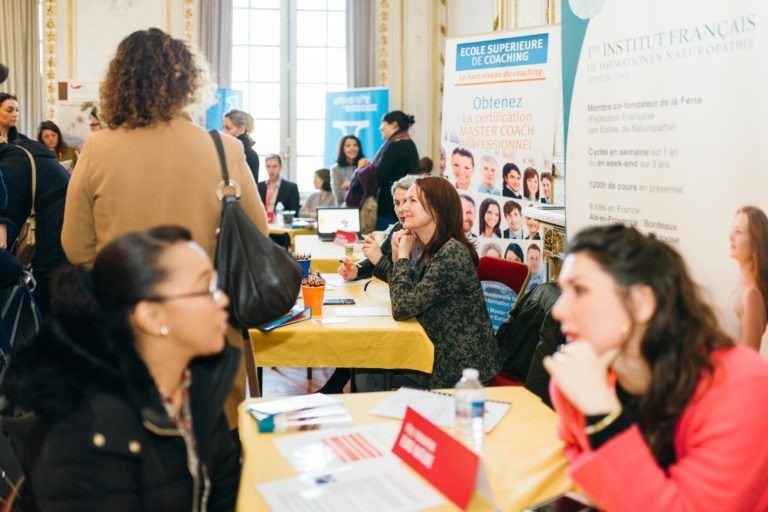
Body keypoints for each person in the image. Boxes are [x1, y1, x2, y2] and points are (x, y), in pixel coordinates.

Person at [61, 28, 267, 426]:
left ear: (118, 83)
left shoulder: (98, 149)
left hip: (127, 323)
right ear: (187, 81)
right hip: (207, 324)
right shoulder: (224, 147)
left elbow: (75, 248)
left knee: (133, 445)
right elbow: (257, 233)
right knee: (214, 444)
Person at [0, 226, 241, 510]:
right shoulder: (87, 428)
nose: (223, 299)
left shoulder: (196, 382)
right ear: (151, 316)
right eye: (207, 288)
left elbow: (226, 496)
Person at [544, 224, 768, 511]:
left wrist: (602, 415)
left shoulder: (742, 385)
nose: (558, 310)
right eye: (563, 291)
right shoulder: (576, 382)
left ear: (641, 303)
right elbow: (575, 450)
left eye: (580, 290)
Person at [355, 176, 501, 390]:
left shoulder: (452, 254)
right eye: (404, 201)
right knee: (367, 361)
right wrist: (397, 260)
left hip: (458, 369)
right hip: (432, 352)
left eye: (412, 201)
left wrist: (401, 258)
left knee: (370, 370)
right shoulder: (424, 246)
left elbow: (402, 308)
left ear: (436, 210)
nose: (403, 207)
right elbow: (408, 294)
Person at [0, 93, 70, 315]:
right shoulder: (25, 148)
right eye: (9, 109)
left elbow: (10, 211)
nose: (15, 114)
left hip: (48, 240)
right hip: (61, 235)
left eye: (16, 109)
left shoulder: (14, 156)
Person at [338, 175, 418, 283]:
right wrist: (356, 270)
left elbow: (407, 283)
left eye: (407, 202)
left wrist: (379, 259)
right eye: (397, 203)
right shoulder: (398, 228)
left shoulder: (429, 237)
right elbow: (374, 261)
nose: (400, 209)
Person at [729, 206, 768, 352]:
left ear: (755, 245)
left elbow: (749, 360)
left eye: (738, 232)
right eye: (733, 230)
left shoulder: (751, 295)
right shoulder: (741, 288)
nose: (730, 236)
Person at [372, 110, 419, 230]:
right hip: (408, 203)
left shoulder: (394, 146)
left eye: (383, 126)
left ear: (393, 124)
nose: (380, 129)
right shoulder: (410, 144)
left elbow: (379, 177)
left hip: (390, 205)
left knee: (386, 241)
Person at [223, 109, 259, 184]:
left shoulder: (251, 156)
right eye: (223, 128)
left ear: (242, 129)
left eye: (228, 128)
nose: (224, 132)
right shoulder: (223, 150)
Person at [330, 134, 365, 205]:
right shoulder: (335, 169)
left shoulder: (365, 166)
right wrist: (358, 188)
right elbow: (338, 194)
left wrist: (350, 185)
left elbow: (368, 192)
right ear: (342, 149)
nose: (352, 148)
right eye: (348, 145)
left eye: (355, 145)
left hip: (363, 210)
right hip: (344, 211)